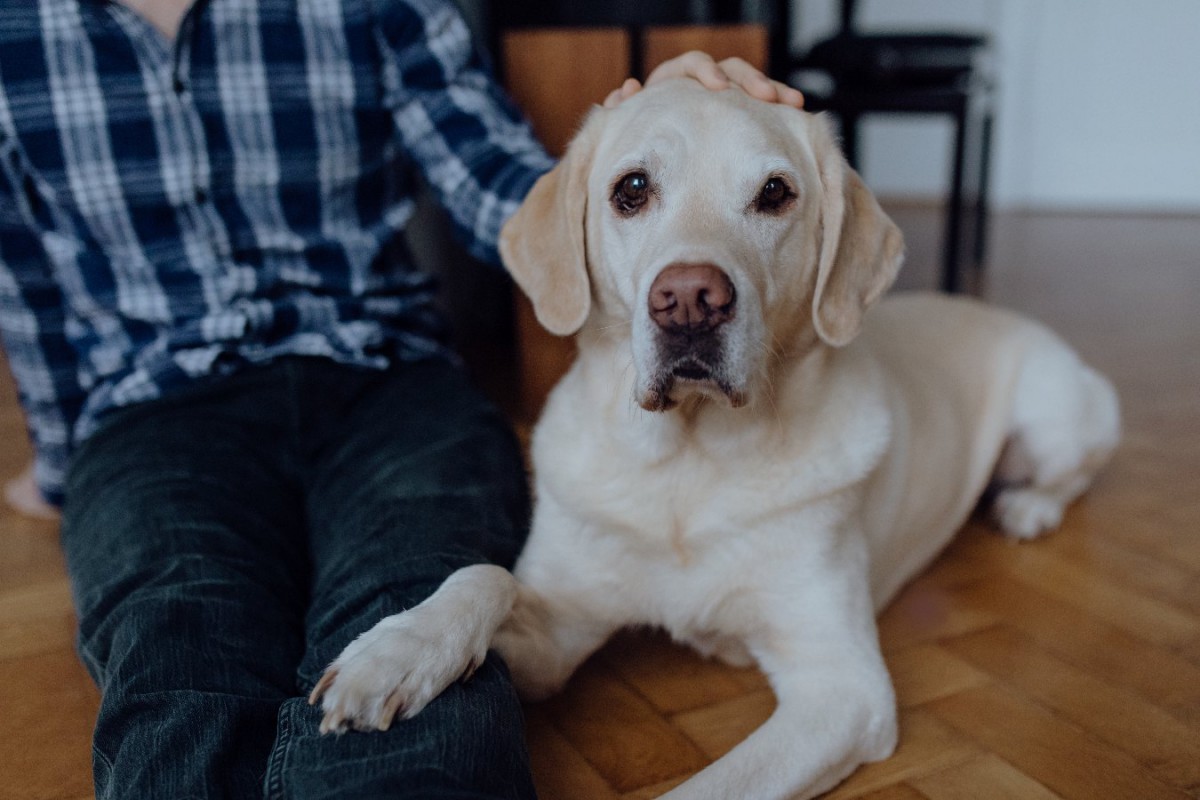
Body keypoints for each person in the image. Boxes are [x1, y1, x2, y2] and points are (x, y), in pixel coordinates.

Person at [0, 0, 802, 797]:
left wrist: (649, 133)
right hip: (151, 410)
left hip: (389, 382)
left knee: (424, 624)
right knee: (179, 647)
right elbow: (24, 277)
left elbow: (500, 186)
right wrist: (66, 464)